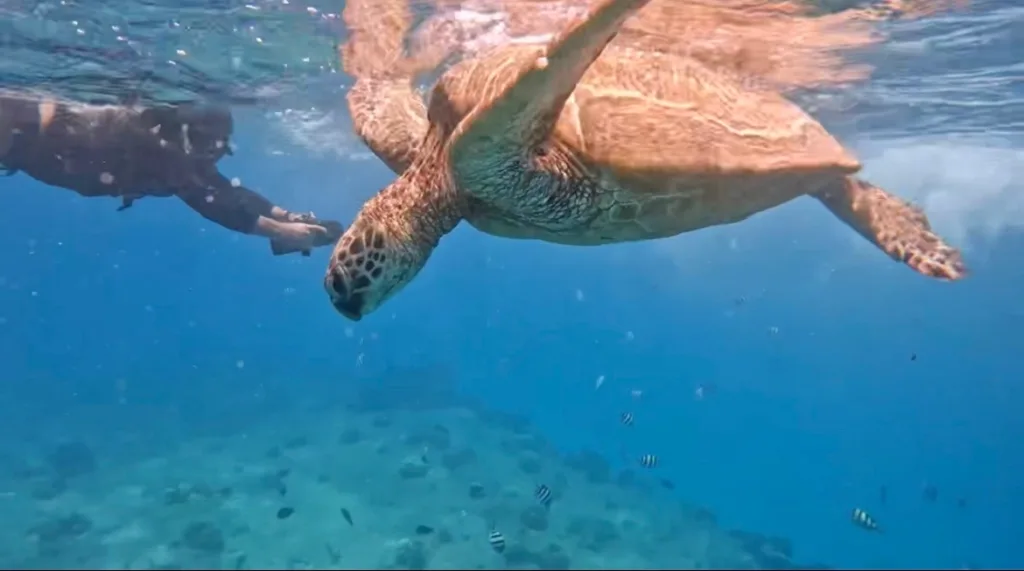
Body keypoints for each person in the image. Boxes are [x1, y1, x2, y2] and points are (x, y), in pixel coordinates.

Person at [0, 91, 342, 256]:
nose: (214, 157)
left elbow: (218, 188)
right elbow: (212, 199)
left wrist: (284, 216)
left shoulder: (178, 149)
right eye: (211, 148)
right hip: (27, 129)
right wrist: (281, 230)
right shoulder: (161, 148)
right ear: (190, 136)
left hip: (29, 136)